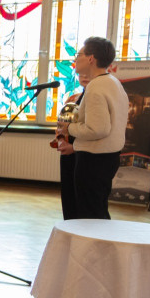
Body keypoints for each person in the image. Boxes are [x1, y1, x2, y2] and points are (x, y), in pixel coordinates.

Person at [59, 36, 129, 219]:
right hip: (107, 158)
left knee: (89, 216)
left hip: (93, 161)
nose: (76, 59)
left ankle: (92, 248)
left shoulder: (96, 87)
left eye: (79, 54)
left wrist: (69, 129)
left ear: (91, 58)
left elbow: (97, 129)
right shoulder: (113, 82)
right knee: (96, 211)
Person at [52, 73, 91, 220]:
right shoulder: (73, 98)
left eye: (87, 73)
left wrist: (74, 148)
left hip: (84, 154)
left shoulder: (95, 100)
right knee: (68, 196)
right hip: (67, 154)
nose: (84, 77)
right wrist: (61, 140)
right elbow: (61, 125)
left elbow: (95, 131)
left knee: (82, 200)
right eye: (81, 74)